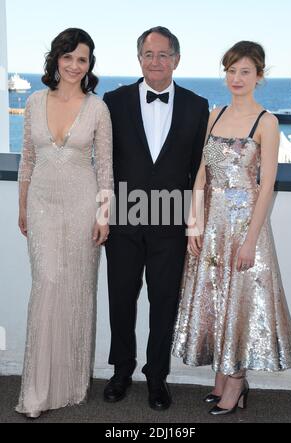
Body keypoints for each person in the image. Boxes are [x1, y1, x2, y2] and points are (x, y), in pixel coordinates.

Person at [172, 41, 291, 416]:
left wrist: (251, 240)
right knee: (216, 301)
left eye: (245, 71)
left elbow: (267, 186)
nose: (237, 78)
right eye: (231, 70)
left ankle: (237, 381)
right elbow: (202, 173)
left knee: (240, 303)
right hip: (212, 225)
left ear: (259, 76)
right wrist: (193, 222)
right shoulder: (217, 114)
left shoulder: (268, 122)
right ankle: (223, 377)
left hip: (245, 228)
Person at [102, 26, 209, 411]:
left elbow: (201, 169)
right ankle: (120, 369)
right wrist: (103, 215)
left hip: (171, 223)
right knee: (121, 300)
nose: (155, 62)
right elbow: (105, 165)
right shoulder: (113, 101)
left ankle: (156, 375)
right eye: (148, 54)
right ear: (139, 59)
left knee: (164, 302)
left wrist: (195, 222)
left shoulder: (199, 107)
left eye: (163, 55)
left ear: (176, 60)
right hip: (123, 220)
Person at [16, 28, 113, 418]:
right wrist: (22, 207)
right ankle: (37, 391)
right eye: (68, 57)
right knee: (46, 286)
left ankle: (71, 384)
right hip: (40, 206)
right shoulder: (35, 101)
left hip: (81, 207)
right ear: (56, 59)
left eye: (82, 60)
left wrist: (104, 216)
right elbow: (27, 159)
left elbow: (105, 167)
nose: (74, 66)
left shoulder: (97, 108)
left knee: (76, 291)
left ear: (89, 66)